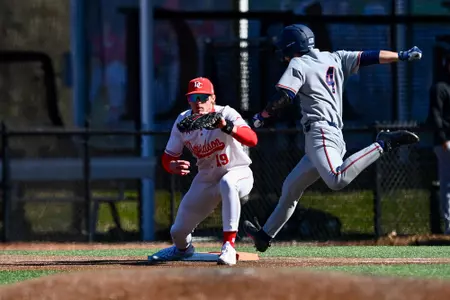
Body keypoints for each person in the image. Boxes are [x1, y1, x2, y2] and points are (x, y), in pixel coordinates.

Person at [243, 24, 422, 252]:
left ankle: (383, 143)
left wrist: (261, 116)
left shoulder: (299, 63)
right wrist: (402, 55)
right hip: (325, 137)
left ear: (291, 47)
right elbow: (371, 57)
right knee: (290, 189)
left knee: (337, 179)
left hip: (321, 135)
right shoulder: (335, 57)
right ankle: (265, 236)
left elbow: (284, 97)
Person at [149, 77, 258, 265]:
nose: (198, 102)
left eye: (203, 97)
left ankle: (229, 246)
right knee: (178, 232)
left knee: (228, 182)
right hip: (207, 178)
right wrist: (172, 166)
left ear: (213, 98)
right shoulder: (183, 121)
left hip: (238, 172)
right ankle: (182, 250)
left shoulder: (226, 113)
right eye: (194, 98)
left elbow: (252, 139)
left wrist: (227, 127)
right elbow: (168, 158)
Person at [428, 53, 450, 234]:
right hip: (446, 142)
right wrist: (443, 139)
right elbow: (436, 116)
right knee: (447, 184)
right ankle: (449, 226)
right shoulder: (440, 88)